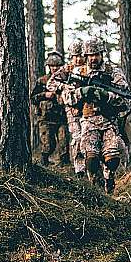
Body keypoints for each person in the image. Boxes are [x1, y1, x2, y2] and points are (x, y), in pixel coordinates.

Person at [49, 36, 130, 193]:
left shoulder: (113, 72)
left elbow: (125, 100)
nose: (93, 58)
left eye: (97, 54)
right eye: (90, 55)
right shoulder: (78, 72)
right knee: (91, 159)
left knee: (112, 158)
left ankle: (109, 179)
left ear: (102, 54)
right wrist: (83, 91)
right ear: (85, 56)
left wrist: (106, 96)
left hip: (109, 121)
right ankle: (96, 189)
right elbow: (68, 97)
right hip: (88, 121)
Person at [46, 38, 87, 177]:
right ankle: (79, 169)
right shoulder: (66, 69)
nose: (77, 59)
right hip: (72, 110)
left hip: (89, 109)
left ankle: (92, 166)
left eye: (80, 55)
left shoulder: (89, 69)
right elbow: (50, 84)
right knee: (76, 138)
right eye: (75, 56)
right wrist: (63, 87)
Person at [30, 51, 70, 167]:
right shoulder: (42, 81)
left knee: (64, 144)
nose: (55, 68)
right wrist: (44, 95)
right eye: (52, 66)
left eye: (57, 66)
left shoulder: (66, 80)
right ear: (48, 67)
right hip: (46, 119)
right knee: (48, 145)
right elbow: (33, 98)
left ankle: (65, 167)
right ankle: (44, 165)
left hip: (62, 118)